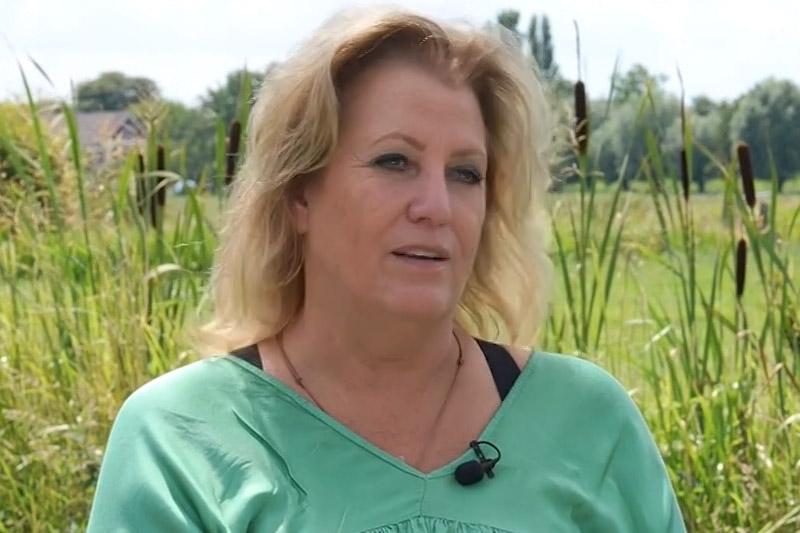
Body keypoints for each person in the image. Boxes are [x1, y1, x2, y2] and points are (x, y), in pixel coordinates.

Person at [87, 7, 686, 532]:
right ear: (298, 194)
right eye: (395, 161)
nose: (437, 207)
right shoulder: (180, 438)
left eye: (466, 173)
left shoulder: (587, 420)